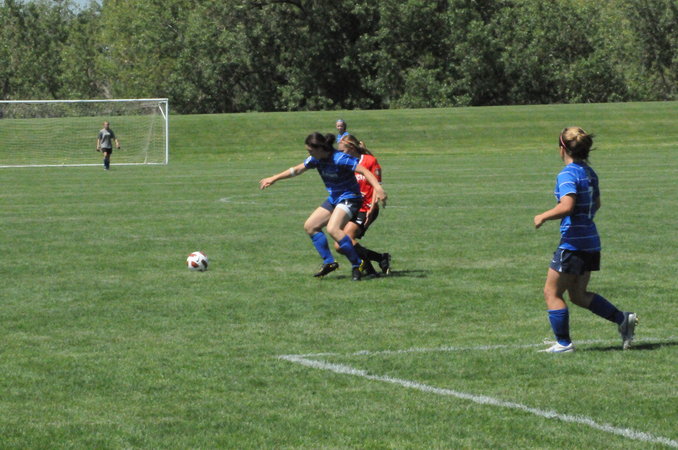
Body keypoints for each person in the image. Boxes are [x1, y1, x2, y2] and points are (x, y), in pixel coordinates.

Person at [534, 127, 637, 353]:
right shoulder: (589, 173)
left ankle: (563, 343)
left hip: (574, 243)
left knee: (551, 293)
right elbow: (596, 204)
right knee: (578, 295)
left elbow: (567, 206)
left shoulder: (567, 174)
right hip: (590, 241)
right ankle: (622, 319)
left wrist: (543, 216)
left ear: (562, 148)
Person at [259, 132, 387, 281]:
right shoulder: (316, 159)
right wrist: (274, 178)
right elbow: (297, 169)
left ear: (320, 148)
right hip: (335, 199)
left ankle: (357, 264)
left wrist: (378, 188)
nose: (309, 153)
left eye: (310, 150)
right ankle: (329, 262)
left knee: (333, 229)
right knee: (310, 226)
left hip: (350, 198)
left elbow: (364, 170)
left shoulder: (339, 158)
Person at [335, 134, 391, 276]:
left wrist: (372, 207)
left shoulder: (370, 161)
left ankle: (369, 269)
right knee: (339, 245)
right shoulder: (345, 162)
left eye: (342, 149)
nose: (340, 153)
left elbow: (376, 185)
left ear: (351, 147)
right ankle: (380, 258)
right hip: (350, 206)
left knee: (347, 239)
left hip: (366, 208)